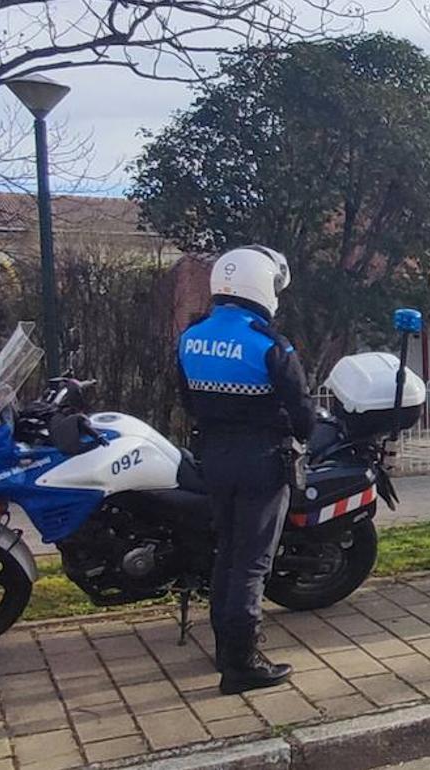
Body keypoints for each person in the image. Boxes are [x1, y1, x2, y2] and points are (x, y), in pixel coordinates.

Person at [178, 245, 316, 695]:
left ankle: (224, 648)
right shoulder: (268, 344)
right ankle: (242, 664)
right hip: (261, 462)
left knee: (228, 554)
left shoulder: (191, 337)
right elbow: (303, 414)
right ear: (261, 286)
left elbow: (186, 401)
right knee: (252, 564)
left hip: (213, 459)